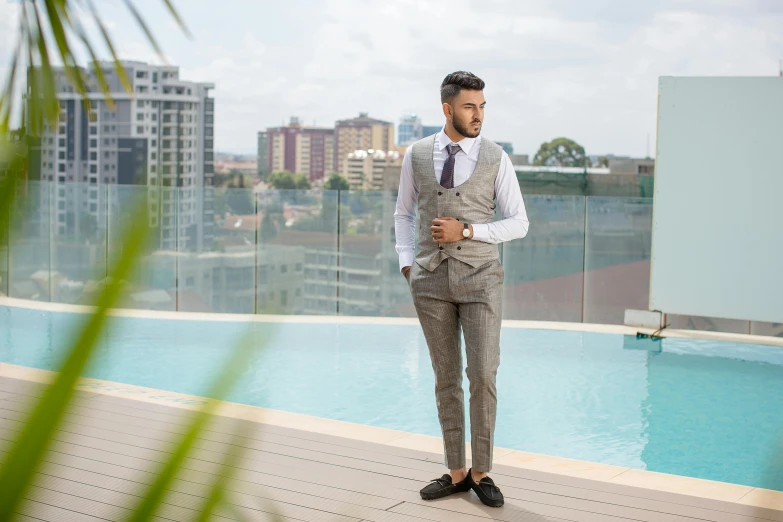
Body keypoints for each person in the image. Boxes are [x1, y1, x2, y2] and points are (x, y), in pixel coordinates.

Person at [394, 71, 529, 508]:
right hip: (429, 279)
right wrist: (407, 263)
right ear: (448, 109)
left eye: (483, 106)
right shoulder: (416, 154)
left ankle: (482, 471)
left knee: (483, 374)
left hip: (480, 279)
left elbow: (519, 223)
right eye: (471, 106)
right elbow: (403, 213)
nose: (479, 115)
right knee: (445, 378)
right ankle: (455, 471)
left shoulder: (496, 158)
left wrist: (467, 229)